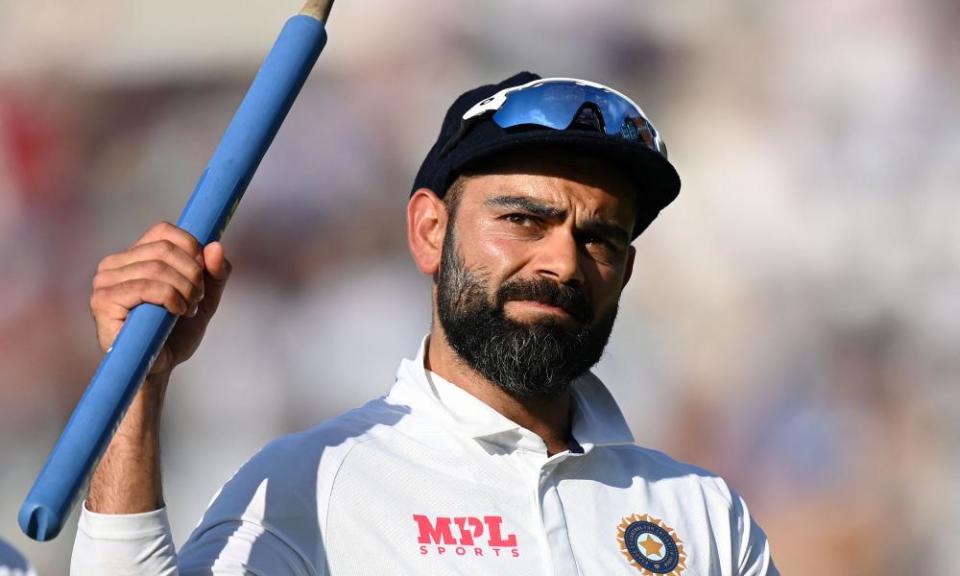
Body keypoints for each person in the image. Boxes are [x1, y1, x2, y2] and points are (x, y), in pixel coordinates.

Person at [71, 72, 778, 575]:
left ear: (626, 270)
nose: (563, 262)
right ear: (428, 231)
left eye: (601, 238)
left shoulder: (701, 513)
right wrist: (139, 384)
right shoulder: (315, 485)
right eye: (523, 219)